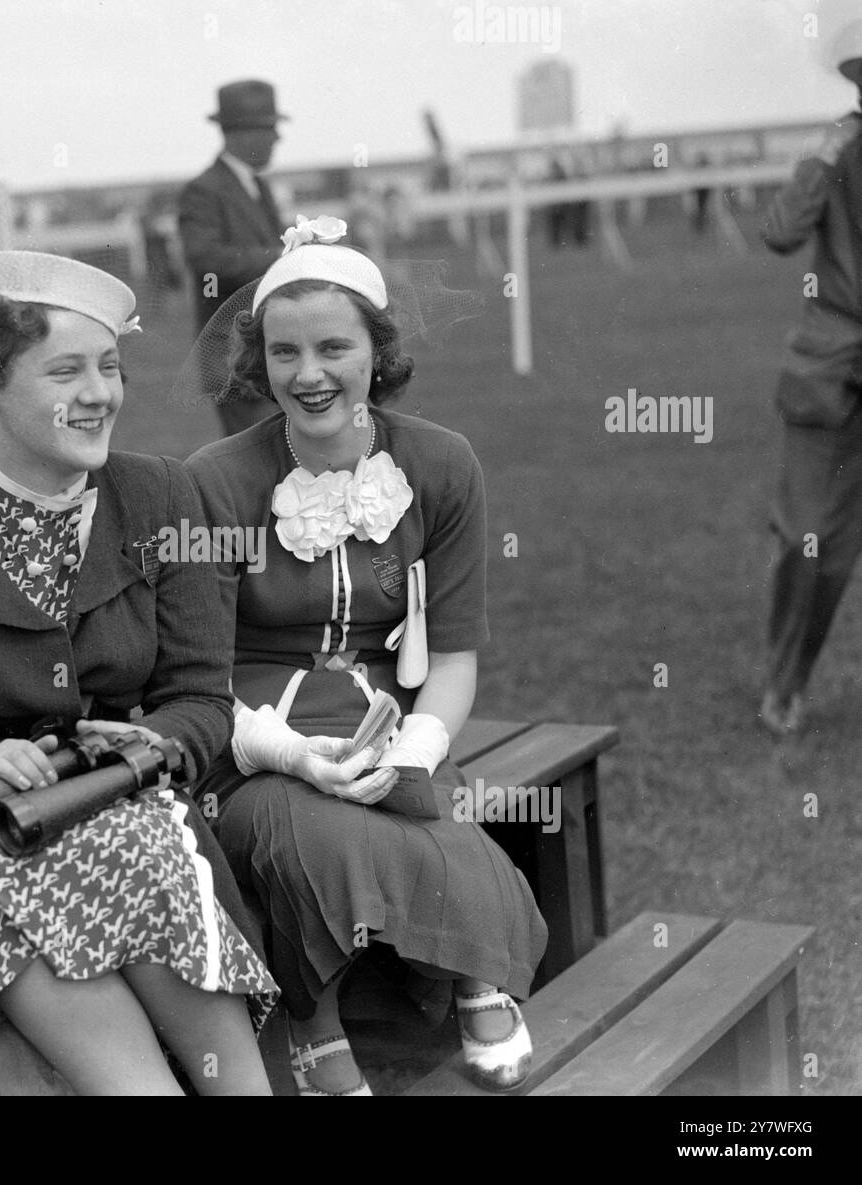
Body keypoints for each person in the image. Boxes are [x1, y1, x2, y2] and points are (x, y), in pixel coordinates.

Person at [0, 250, 278, 1096]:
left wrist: (154, 741)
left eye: (110, 368)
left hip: (121, 801)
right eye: (66, 369)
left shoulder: (162, 497)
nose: (100, 392)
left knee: (141, 847)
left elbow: (200, 699)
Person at [184, 217, 547, 1094]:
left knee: (424, 794)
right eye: (283, 353)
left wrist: (418, 744)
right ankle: (322, 1017)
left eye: (334, 347)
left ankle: (472, 970)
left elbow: (452, 653)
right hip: (253, 739)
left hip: (394, 720)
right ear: (258, 361)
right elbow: (188, 678)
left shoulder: (441, 464)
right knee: (291, 821)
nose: (307, 376)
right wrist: (287, 752)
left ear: (377, 352)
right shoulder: (214, 480)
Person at [759, 37, 862, 737]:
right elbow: (779, 232)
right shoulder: (835, 157)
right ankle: (784, 682)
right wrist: (821, 160)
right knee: (810, 542)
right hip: (830, 372)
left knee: (838, 545)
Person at [178, 79, 287, 436]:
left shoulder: (259, 185)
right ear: (243, 133)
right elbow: (206, 259)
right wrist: (283, 256)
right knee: (260, 470)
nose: (277, 139)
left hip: (267, 350)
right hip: (234, 358)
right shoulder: (204, 190)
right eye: (270, 128)